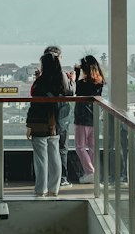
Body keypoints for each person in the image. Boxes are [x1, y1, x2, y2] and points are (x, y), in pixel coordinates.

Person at [26, 50, 68, 196]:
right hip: (56, 123)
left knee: (41, 159)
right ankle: (53, 189)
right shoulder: (61, 81)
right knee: (54, 156)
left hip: (40, 123)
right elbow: (70, 93)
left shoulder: (41, 82)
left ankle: (40, 190)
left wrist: (29, 125)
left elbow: (34, 104)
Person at [44, 45, 73, 185]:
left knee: (48, 145)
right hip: (61, 113)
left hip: (46, 113)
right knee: (62, 146)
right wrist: (72, 80)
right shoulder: (61, 74)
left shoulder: (43, 76)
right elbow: (69, 92)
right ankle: (62, 177)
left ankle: (50, 177)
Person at [73, 54, 105, 177]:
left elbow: (75, 90)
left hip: (82, 117)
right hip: (95, 117)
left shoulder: (82, 83)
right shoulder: (100, 82)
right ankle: (92, 172)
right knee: (93, 147)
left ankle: (90, 172)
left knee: (80, 147)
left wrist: (76, 72)